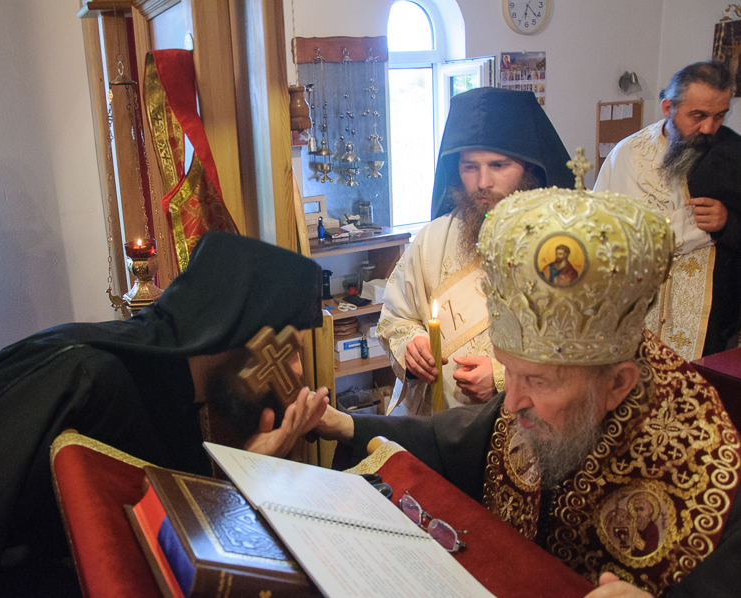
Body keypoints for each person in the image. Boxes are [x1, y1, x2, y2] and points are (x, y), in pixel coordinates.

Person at [314, 179, 740, 597]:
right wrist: (346, 425)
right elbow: (453, 439)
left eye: (537, 381)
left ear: (616, 384)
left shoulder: (710, 479)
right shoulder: (526, 404)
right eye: (509, 371)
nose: (511, 402)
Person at [0, 231, 329, 598]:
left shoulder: (173, 392)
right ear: (243, 331)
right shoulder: (89, 376)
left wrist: (247, 468)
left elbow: (162, 530)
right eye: (289, 349)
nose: (297, 373)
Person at [377, 87, 573, 412]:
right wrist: (412, 346)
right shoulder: (432, 240)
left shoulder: (563, 249)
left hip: (524, 422)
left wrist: (503, 377)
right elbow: (396, 318)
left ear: (530, 168)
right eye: (470, 167)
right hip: (442, 422)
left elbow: (577, 345)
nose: (483, 182)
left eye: (498, 165)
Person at [594, 60, 741, 359]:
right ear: (667, 108)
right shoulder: (627, 154)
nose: (708, 128)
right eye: (698, 116)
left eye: (719, 116)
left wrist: (728, 222)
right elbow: (597, 231)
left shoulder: (734, 153)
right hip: (635, 309)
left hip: (708, 319)